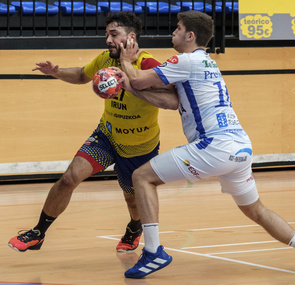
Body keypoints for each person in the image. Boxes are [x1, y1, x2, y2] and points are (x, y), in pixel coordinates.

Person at [114, 10, 295, 278]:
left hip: (213, 146)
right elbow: (167, 98)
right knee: (255, 210)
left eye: (177, 28)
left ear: (190, 36)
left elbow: (141, 80)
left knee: (141, 176)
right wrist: (132, 89)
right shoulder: (207, 63)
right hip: (241, 147)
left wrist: (127, 61)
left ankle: (153, 252)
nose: (173, 32)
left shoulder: (186, 60)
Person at [8, 11, 178, 253]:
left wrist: (132, 87)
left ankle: (134, 227)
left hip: (139, 145)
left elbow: (172, 97)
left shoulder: (147, 64)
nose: (108, 39)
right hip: (106, 136)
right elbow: (80, 75)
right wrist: (55, 72)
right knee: (69, 178)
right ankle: (38, 232)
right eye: (106, 34)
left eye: (113, 34)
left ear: (131, 37)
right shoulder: (105, 59)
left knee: (132, 198)